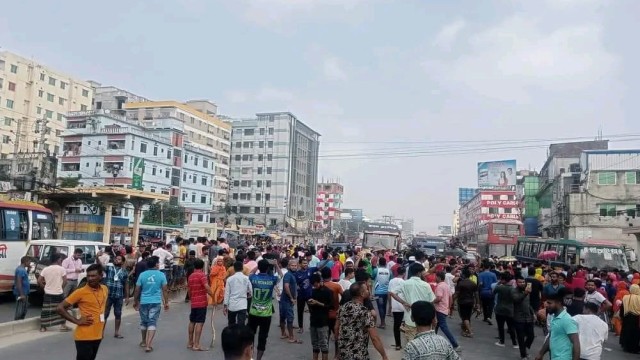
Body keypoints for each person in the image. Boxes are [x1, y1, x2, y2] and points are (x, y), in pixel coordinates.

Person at [57, 264, 107, 360]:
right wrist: (77, 321)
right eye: (88, 276)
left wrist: (101, 332)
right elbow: (60, 308)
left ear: (101, 276)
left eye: (93, 276)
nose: (90, 278)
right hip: (84, 336)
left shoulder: (104, 289)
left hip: (98, 335)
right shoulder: (80, 292)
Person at [335, 282, 389, 360]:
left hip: (344, 353)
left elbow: (336, 328)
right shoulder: (365, 312)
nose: (368, 291)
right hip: (359, 354)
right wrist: (384, 355)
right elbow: (374, 338)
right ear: (362, 294)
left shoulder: (342, 308)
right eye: (366, 289)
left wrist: (340, 346)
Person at [134, 256, 169, 353]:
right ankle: (148, 345)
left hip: (144, 301)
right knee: (152, 322)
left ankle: (144, 341)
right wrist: (166, 302)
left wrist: (135, 301)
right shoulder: (161, 275)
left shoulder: (142, 275)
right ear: (157, 264)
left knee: (144, 321)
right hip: (155, 301)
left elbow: (137, 289)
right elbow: (165, 289)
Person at [392, 263, 435, 342]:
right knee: (424, 344)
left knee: (411, 344)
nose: (424, 274)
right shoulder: (426, 285)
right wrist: (434, 319)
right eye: (423, 272)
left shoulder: (405, 283)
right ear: (419, 273)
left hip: (410, 319)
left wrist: (404, 303)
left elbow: (393, 293)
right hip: (424, 321)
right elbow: (432, 302)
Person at [248, 259, 281, 360]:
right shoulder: (272, 279)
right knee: (263, 337)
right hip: (266, 314)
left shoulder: (253, 278)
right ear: (267, 268)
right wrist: (276, 265)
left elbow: (250, 273)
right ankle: (258, 358)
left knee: (250, 335)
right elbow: (280, 276)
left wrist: (258, 265)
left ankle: (250, 356)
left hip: (253, 312)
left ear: (259, 268)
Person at [534, 288, 580, 360]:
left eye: (549, 303)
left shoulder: (567, 320)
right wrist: (541, 353)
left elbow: (576, 343)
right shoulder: (554, 317)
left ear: (558, 303)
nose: (546, 305)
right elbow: (551, 337)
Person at [187, 259, 214, 351]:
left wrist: (191, 299)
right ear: (202, 267)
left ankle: (190, 342)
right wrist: (213, 297)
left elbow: (189, 290)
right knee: (200, 322)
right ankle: (196, 344)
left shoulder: (191, 276)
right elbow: (207, 287)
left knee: (192, 321)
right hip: (201, 302)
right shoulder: (202, 275)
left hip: (194, 302)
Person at [38, 253, 70, 332]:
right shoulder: (61, 269)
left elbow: (39, 280)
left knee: (46, 310)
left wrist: (45, 288)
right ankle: (63, 325)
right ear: (58, 259)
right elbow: (65, 281)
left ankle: (43, 327)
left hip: (48, 293)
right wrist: (60, 288)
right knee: (62, 309)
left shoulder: (46, 269)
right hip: (58, 293)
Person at [103, 254, 130, 339]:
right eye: (116, 259)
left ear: (122, 262)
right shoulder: (109, 268)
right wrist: (97, 257)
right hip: (108, 295)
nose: (116, 260)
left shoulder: (124, 272)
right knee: (105, 314)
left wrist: (127, 297)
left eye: (119, 259)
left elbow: (126, 284)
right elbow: (101, 265)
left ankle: (116, 332)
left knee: (118, 314)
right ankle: (100, 332)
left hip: (119, 296)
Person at [308, 273, 333, 360]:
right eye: (313, 285)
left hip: (323, 321)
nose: (315, 286)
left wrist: (317, 303)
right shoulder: (313, 291)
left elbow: (330, 306)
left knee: (324, 344)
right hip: (314, 320)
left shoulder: (328, 292)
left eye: (316, 284)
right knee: (314, 344)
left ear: (319, 281)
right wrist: (310, 303)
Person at [320, 267, 342, 359]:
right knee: (336, 335)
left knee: (325, 336)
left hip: (323, 314)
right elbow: (345, 296)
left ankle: (325, 355)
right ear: (331, 274)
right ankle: (337, 354)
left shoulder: (320, 287)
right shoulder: (336, 286)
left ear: (322, 275)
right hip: (335, 314)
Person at [434, 271, 460, 351]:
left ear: (439, 277)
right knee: (436, 326)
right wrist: (449, 307)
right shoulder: (446, 286)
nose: (435, 278)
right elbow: (451, 298)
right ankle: (433, 341)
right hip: (444, 309)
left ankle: (455, 344)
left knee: (443, 327)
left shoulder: (440, 286)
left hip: (440, 309)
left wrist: (431, 302)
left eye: (436, 276)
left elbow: (439, 298)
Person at [513, 275, 535, 360]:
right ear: (516, 283)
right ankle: (523, 355)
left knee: (531, 336)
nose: (522, 284)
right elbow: (516, 300)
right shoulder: (514, 291)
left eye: (523, 282)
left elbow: (528, 304)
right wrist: (525, 293)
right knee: (521, 337)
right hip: (518, 318)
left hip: (528, 317)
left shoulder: (527, 291)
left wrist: (533, 313)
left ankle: (524, 348)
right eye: (520, 282)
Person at [224, 261, 253, 326]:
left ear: (234, 269)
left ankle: (232, 335)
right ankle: (240, 335)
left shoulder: (230, 279)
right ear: (242, 268)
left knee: (231, 323)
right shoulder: (246, 278)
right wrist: (248, 295)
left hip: (232, 304)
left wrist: (225, 305)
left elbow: (227, 293)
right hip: (242, 304)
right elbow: (251, 291)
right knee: (241, 324)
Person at [493, 271, 518, 348]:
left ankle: (502, 341)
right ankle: (514, 343)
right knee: (511, 327)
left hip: (500, 309)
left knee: (500, 327)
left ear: (503, 279)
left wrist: (498, 283)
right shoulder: (513, 289)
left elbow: (493, 292)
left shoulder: (499, 287)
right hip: (510, 310)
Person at [453, 268, 478, 338]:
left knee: (464, 317)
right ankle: (465, 330)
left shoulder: (461, 283)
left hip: (462, 302)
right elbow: (476, 294)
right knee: (468, 316)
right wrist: (477, 304)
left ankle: (470, 332)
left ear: (463, 275)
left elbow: (457, 293)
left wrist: (452, 300)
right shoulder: (473, 283)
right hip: (470, 302)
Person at [281, 259, 301, 343]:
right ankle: (291, 337)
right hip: (287, 300)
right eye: (292, 265)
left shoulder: (293, 274)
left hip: (286, 299)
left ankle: (284, 334)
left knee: (283, 316)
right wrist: (291, 298)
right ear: (289, 266)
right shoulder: (288, 275)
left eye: (295, 265)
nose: (294, 267)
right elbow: (286, 286)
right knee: (290, 318)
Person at [389, 265, 406, 351]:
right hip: (403, 306)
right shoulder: (404, 282)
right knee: (405, 325)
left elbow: (390, 293)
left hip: (394, 305)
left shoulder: (391, 281)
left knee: (396, 326)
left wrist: (390, 306)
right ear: (404, 273)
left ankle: (398, 344)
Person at [619, 284, 640, 353]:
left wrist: (621, 316)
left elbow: (622, 308)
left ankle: (625, 346)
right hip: (636, 318)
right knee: (635, 333)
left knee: (626, 331)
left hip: (626, 316)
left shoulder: (625, 297)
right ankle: (634, 348)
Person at [373, 257, 391, 329]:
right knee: (384, 306)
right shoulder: (389, 271)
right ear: (385, 263)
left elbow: (372, 277)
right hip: (386, 292)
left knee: (380, 307)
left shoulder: (376, 270)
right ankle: (383, 322)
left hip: (378, 293)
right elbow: (390, 280)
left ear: (379, 263)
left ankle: (383, 323)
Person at [13, 256, 30, 320]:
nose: (29, 264)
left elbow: (25, 278)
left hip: (24, 292)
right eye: (29, 262)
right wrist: (22, 294)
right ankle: (17, 322)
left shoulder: (23, 269)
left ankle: (20, 321)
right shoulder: (20, 270)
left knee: (24, 309)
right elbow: (19, 282)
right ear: (25, 262)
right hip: (21, 293)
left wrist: (28, 270)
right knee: (20, 310)